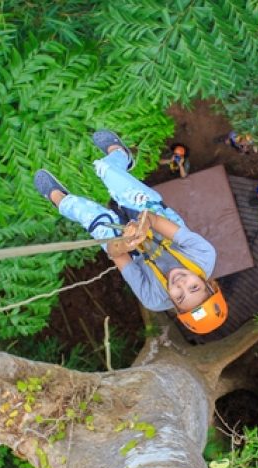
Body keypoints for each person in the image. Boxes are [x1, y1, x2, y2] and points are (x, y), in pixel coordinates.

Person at [34, 130, 228, 334]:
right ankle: (120, 155)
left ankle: (60, 199)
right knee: (108, 170)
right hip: (159, 220)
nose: (181, 284)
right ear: (208, 283)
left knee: (95, 221)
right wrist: (143, 225)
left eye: (179, 296)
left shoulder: (153, 298)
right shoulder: (204, 255)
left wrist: (124, 244)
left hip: (134, 253)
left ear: (174, 305)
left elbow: (116, 254)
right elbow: (153, 219)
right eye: (194, 287)